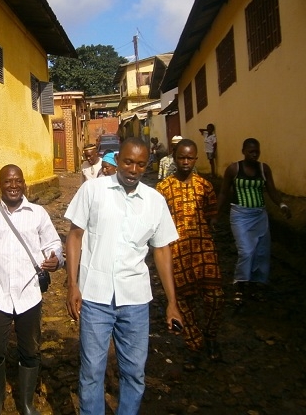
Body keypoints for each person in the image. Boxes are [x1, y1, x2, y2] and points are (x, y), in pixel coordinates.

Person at [64, 137, 183, 415]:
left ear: (147, 166)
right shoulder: (93, 191)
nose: (133, 169)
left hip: (135, 300)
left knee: (134, 373)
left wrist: (172, 302)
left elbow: (162, 251)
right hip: (95, 296)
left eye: (140, 164)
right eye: (128, 161)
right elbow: (74, 236)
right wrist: (72, 285)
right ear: (117, 160)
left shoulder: (155, 201)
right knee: (92, 371)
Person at [0, 164, 63, 415]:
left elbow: (53, 242)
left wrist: (56, 258)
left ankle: (26, 402)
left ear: (24, 184)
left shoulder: (38, 213)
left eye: (18, 181)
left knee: (30, 349)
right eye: (8, 181)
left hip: (28, 292)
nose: (13, 186)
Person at [156, 139, 224, 369]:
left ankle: (212, 336)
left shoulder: (205, 186)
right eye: (181, 157)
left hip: (204, 248)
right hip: (176, 251)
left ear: (196, 159)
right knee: (183, 301)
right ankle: (193, 344)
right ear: (174, 158)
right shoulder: (163, 188)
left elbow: (212, 213)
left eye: (190, 158)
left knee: (215, 296)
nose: (185, 162)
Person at [216, 138, 292, 306]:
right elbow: (223, 193)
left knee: (262, 252)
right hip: (240, 215)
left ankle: (257, 285)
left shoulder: (264, 169)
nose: (254, 154)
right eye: (250, 151)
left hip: (259, 215)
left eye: (257, 151)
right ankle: (240, 285)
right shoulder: (234, 169)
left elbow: (271, 189)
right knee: (247, 251)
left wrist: (282, 204)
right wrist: (215, 213)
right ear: (243, 151)